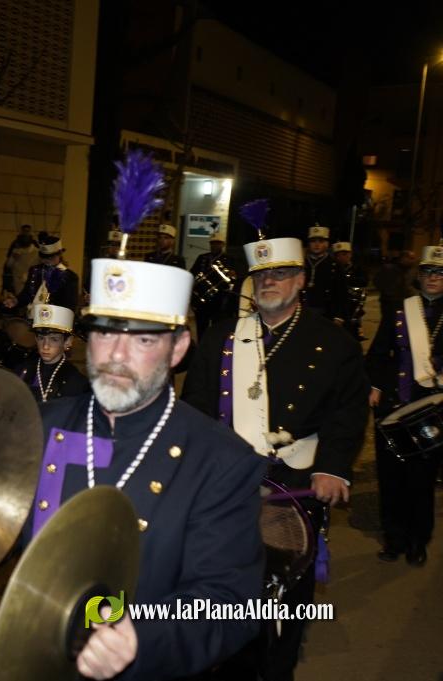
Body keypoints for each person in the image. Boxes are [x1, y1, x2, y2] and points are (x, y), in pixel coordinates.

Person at [27, 254, 265, 680]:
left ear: (178, 349)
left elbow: (229, 600)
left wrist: (143, 639)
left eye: (142, 340)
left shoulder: (221, 461)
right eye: (104, 333)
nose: (116, 355)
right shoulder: (43, 424)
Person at [182, 231, 369, 681]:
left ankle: (277, 666)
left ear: (301, 279)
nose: (270, 283)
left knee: (287, 585)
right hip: (228, 481)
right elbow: (197, 405)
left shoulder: (332, 341)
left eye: (281, 274)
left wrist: (332, 468)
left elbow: (347, 412)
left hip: (294, 479)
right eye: (262, 275)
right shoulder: (224, 337)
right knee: (222, 579)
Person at [366, 244, 443, 567]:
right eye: (428, 272)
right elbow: (379, 353)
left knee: (421, 476)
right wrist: (375, 385)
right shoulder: (400, 309)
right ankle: (393, 537)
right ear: (419, 275)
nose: (433, 278)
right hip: (395, 406)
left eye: (439, 273)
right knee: (391, 474)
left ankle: (417, 540)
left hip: (432, 407)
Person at [14, 304, 88, 402]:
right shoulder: (22, 370)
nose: (45, 346)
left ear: (67, 342)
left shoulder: (76, 382)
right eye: (41, 338)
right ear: (35, 339)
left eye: (54, 339)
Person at [2, 234, 81, 313]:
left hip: (55, 321)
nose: (47, 260)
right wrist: (16, 301)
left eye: (51, 257)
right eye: (44, 257)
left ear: (60, 254)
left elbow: (69, 306)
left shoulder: (70, 277)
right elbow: (26, 294)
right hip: (32, 317)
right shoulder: (34, 270)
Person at [189, 229, 237, 337]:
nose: (215, 245)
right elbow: (193, 274)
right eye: (212, 243)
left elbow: (234, 279)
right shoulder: (202, 258)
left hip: (219, 300)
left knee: (217, 329)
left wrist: (233, 274)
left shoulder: (229, 259)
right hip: (202, 299)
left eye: (218, 243)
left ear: (223, 244)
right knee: (201, 328)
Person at [330, 241, 368, 339]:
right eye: (338, 255)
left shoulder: (356, 268)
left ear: (350, 255)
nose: (342, 257)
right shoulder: (332, 268)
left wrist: (347, 280)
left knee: (352, 325)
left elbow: (364, 281)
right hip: (336, 302)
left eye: (345, 254)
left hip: (352, 302)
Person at [302, 223, 338, 318]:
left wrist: (339, 316)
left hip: (325, 310)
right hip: (302, 308)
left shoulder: (334, 264)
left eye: (321, 241)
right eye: (313, 241)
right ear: (309, 243)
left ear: (327, 244)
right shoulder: (301, 262)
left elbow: (341, 292)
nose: (317, 244)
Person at [373, 250, 417, 319]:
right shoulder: (388, 268)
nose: (413, 260)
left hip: (403, 303)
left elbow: (413, 284)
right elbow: (377, 281)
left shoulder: (411, 271)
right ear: (403, 258)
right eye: (411, 258)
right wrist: (387, 292)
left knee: (400, 325)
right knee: (387, 323)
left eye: (414, 258)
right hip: (388, 303)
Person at [3, 224, 39, 297]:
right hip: (17, 278)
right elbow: (8, 264)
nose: (26, 233)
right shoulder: (15, 245)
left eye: (28, 231)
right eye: (24, 231)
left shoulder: (35, 247)